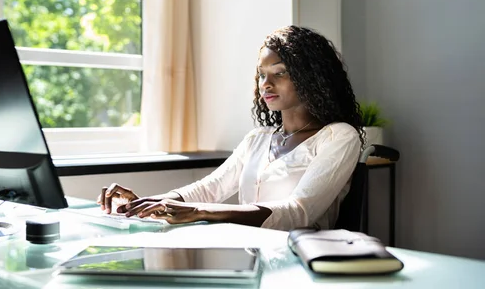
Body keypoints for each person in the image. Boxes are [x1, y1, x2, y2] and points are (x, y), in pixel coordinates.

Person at [97, 25, 364, 231]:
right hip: (247, 253)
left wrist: (202, 212)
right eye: (261, 74)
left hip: (299, 263)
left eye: (279, 73)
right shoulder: (258, 139)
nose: (265, 84)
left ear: (311, 77)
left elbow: (299, 211)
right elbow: (207, 190)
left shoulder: (339, 136)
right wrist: (147, 203)